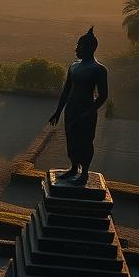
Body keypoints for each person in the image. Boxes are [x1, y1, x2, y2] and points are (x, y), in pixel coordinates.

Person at [48, 26, 109, 185]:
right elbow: (66, 90)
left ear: (90, 48)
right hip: (72, 109)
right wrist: (58, 111)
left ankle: (85, 172)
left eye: (79, 46)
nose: (76, 49)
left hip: (86, 110)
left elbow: (103, 96)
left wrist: (91, 111)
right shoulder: (74, 66)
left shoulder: (99, 70)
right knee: (72, 139)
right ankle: (74, 167)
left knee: (85, 141)